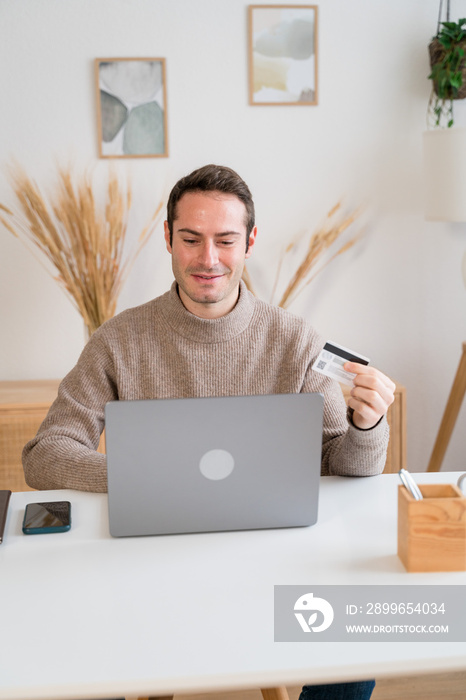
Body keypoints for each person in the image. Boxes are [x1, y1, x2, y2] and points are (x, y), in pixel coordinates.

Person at [23, 164, 395, 700]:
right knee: (71, 647)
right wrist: (152, 480)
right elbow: (45, 455)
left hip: (273, 561)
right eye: (191, 239)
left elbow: (346, 463)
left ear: (250, 242)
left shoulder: (294, 341)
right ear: (168, 239)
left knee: (359, 642)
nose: (208, 259)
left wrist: (368, 422)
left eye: (225, 240)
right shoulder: (119, 340)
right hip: (148, 566)